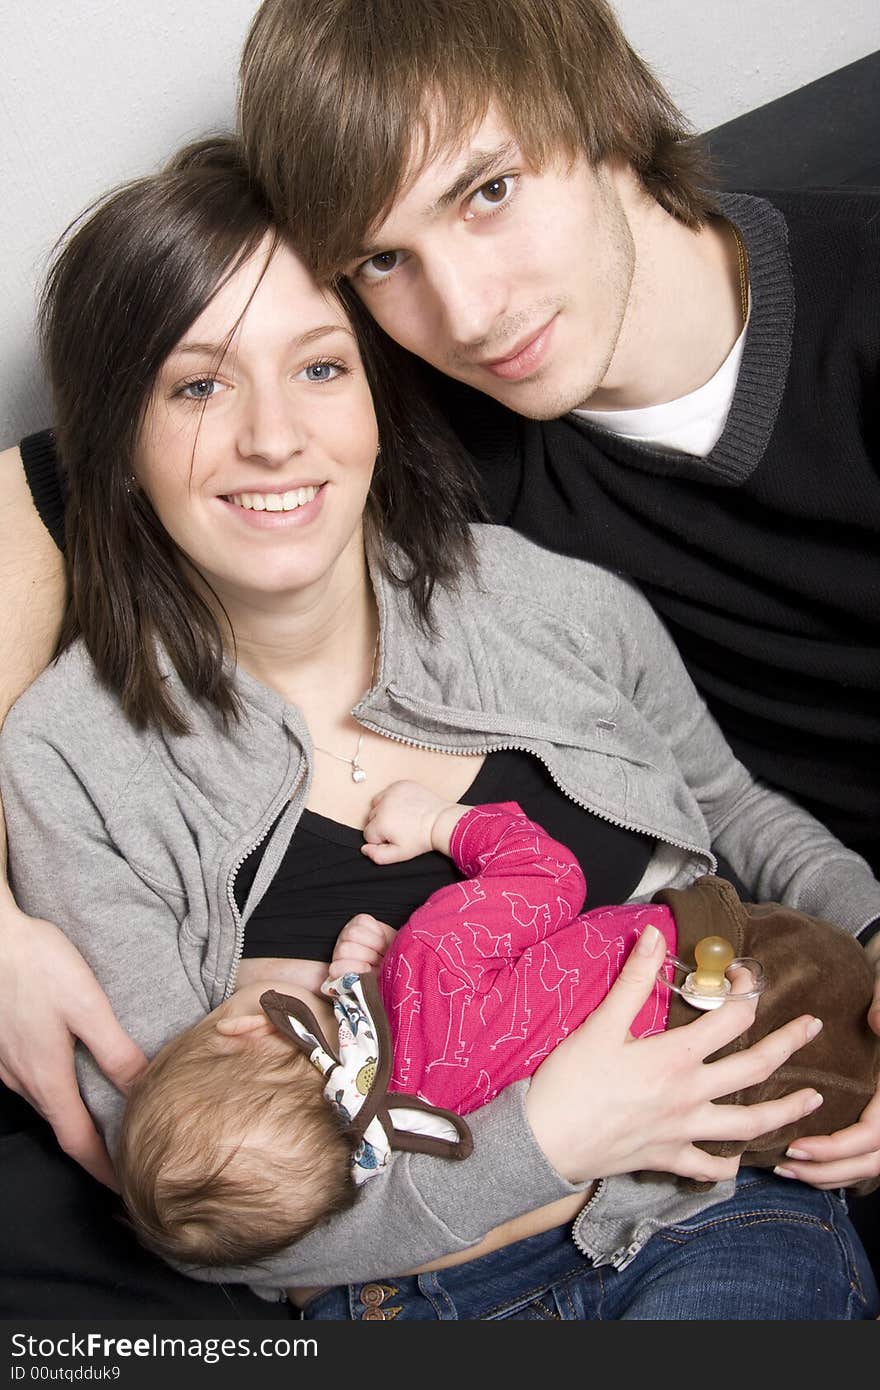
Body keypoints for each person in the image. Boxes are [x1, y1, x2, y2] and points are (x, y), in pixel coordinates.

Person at [0, 2, 878, 1227]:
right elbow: (62, 478)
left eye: (488, 191)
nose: (466, 311)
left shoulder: (850, 301)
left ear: (602, 112)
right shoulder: (417, 419)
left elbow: (729, 815)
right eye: (381, 260)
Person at [113, 781, 879, 1274]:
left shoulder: (418, 1137)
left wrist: (363, 976)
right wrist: (440, 823)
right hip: (758, 968)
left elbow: (447, 1053)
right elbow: (549, 877)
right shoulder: (427, 963)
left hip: (734, 1134)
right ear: (245, 1027)